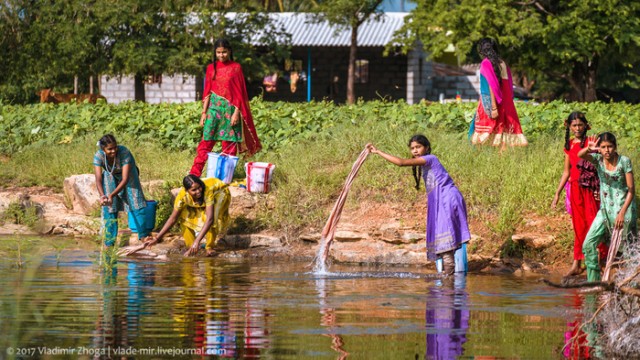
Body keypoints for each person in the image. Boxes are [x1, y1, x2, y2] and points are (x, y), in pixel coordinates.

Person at [367, 135, 471, 275]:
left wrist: (378, 152)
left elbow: (401, 163)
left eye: (418, 147)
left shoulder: (430, 158)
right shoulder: (424, 163)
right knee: (444, 239)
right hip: (442, 200)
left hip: (447, 200)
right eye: (412, 148)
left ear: (426, 148)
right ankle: (448, 279)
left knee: (445, 238)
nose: (415, 151)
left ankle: (448, 280)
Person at [190, 39, 261, 177]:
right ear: (215, 53)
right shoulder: (211, 68)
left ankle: (224, 177)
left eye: (224, 52)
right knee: (206, 142)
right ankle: (194, 174)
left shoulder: (236, 68)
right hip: (214, 110)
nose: (221, 55)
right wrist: (204, 112)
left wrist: (236, 113)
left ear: (229, 51)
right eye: (218, 52)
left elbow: (240, 93)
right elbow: (207, 91)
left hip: (230, 110)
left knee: (229, 146)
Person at [578, 132, 637, 282]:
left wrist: (622, 213)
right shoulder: (598, 160)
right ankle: (594, 282)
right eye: (603, 147)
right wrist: (590, 148)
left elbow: (631, 190)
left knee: (627, 250)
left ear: (615, 147)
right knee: (588, 244)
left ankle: (632, 283)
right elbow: (580, 154)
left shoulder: (624, 161)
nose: (607, 150)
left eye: (609, 146)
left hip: (624, 210)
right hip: (604, 211)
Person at [125, 175, 231, 257]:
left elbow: (210, 219)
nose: (198, 191)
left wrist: (197, 241)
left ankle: (209, 247)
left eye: (199, 188)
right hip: (198, 199)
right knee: (184, 218)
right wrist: (157, 238)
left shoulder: (207, 191)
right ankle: (191, 247)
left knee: (209, 218)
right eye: (194, 190)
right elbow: (173, 218)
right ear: (187, 191)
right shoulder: (182, 197)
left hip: (220, 193)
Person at [551, 112, 604, 277]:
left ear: (586, 126)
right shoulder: (568, 145)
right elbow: (566, 172)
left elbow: (601, 165)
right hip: (574, 189)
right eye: (574, 125)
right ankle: (577, 263)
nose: (577, 128)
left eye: (580, 125)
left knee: (593, 224)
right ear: (569, 126)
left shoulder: (591, 142)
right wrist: (557, 193)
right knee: (578, 226)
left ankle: (598, 261)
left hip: (590, 189)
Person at [469, 38, 528, 147]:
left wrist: (494, 107)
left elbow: (492, 85)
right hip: (506, 102)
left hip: (493, 103)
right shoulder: (502, 63)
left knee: (483, 139)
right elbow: (508, 85)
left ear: (481, 50)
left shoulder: (486, 63)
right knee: (503, 136)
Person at [93, 134, 149, 247]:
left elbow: (125, 179)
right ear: (103, 149)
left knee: (136, 202)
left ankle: (143, 236)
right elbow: (98, 178)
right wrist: (103, 195)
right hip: (110, 175)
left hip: (129, 175)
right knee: (110, 208)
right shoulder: (98, 156)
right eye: (109, 149)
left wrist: (112, 195)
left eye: (115, 147)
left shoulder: (124, 153)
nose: (113, 151)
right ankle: (109, 242)